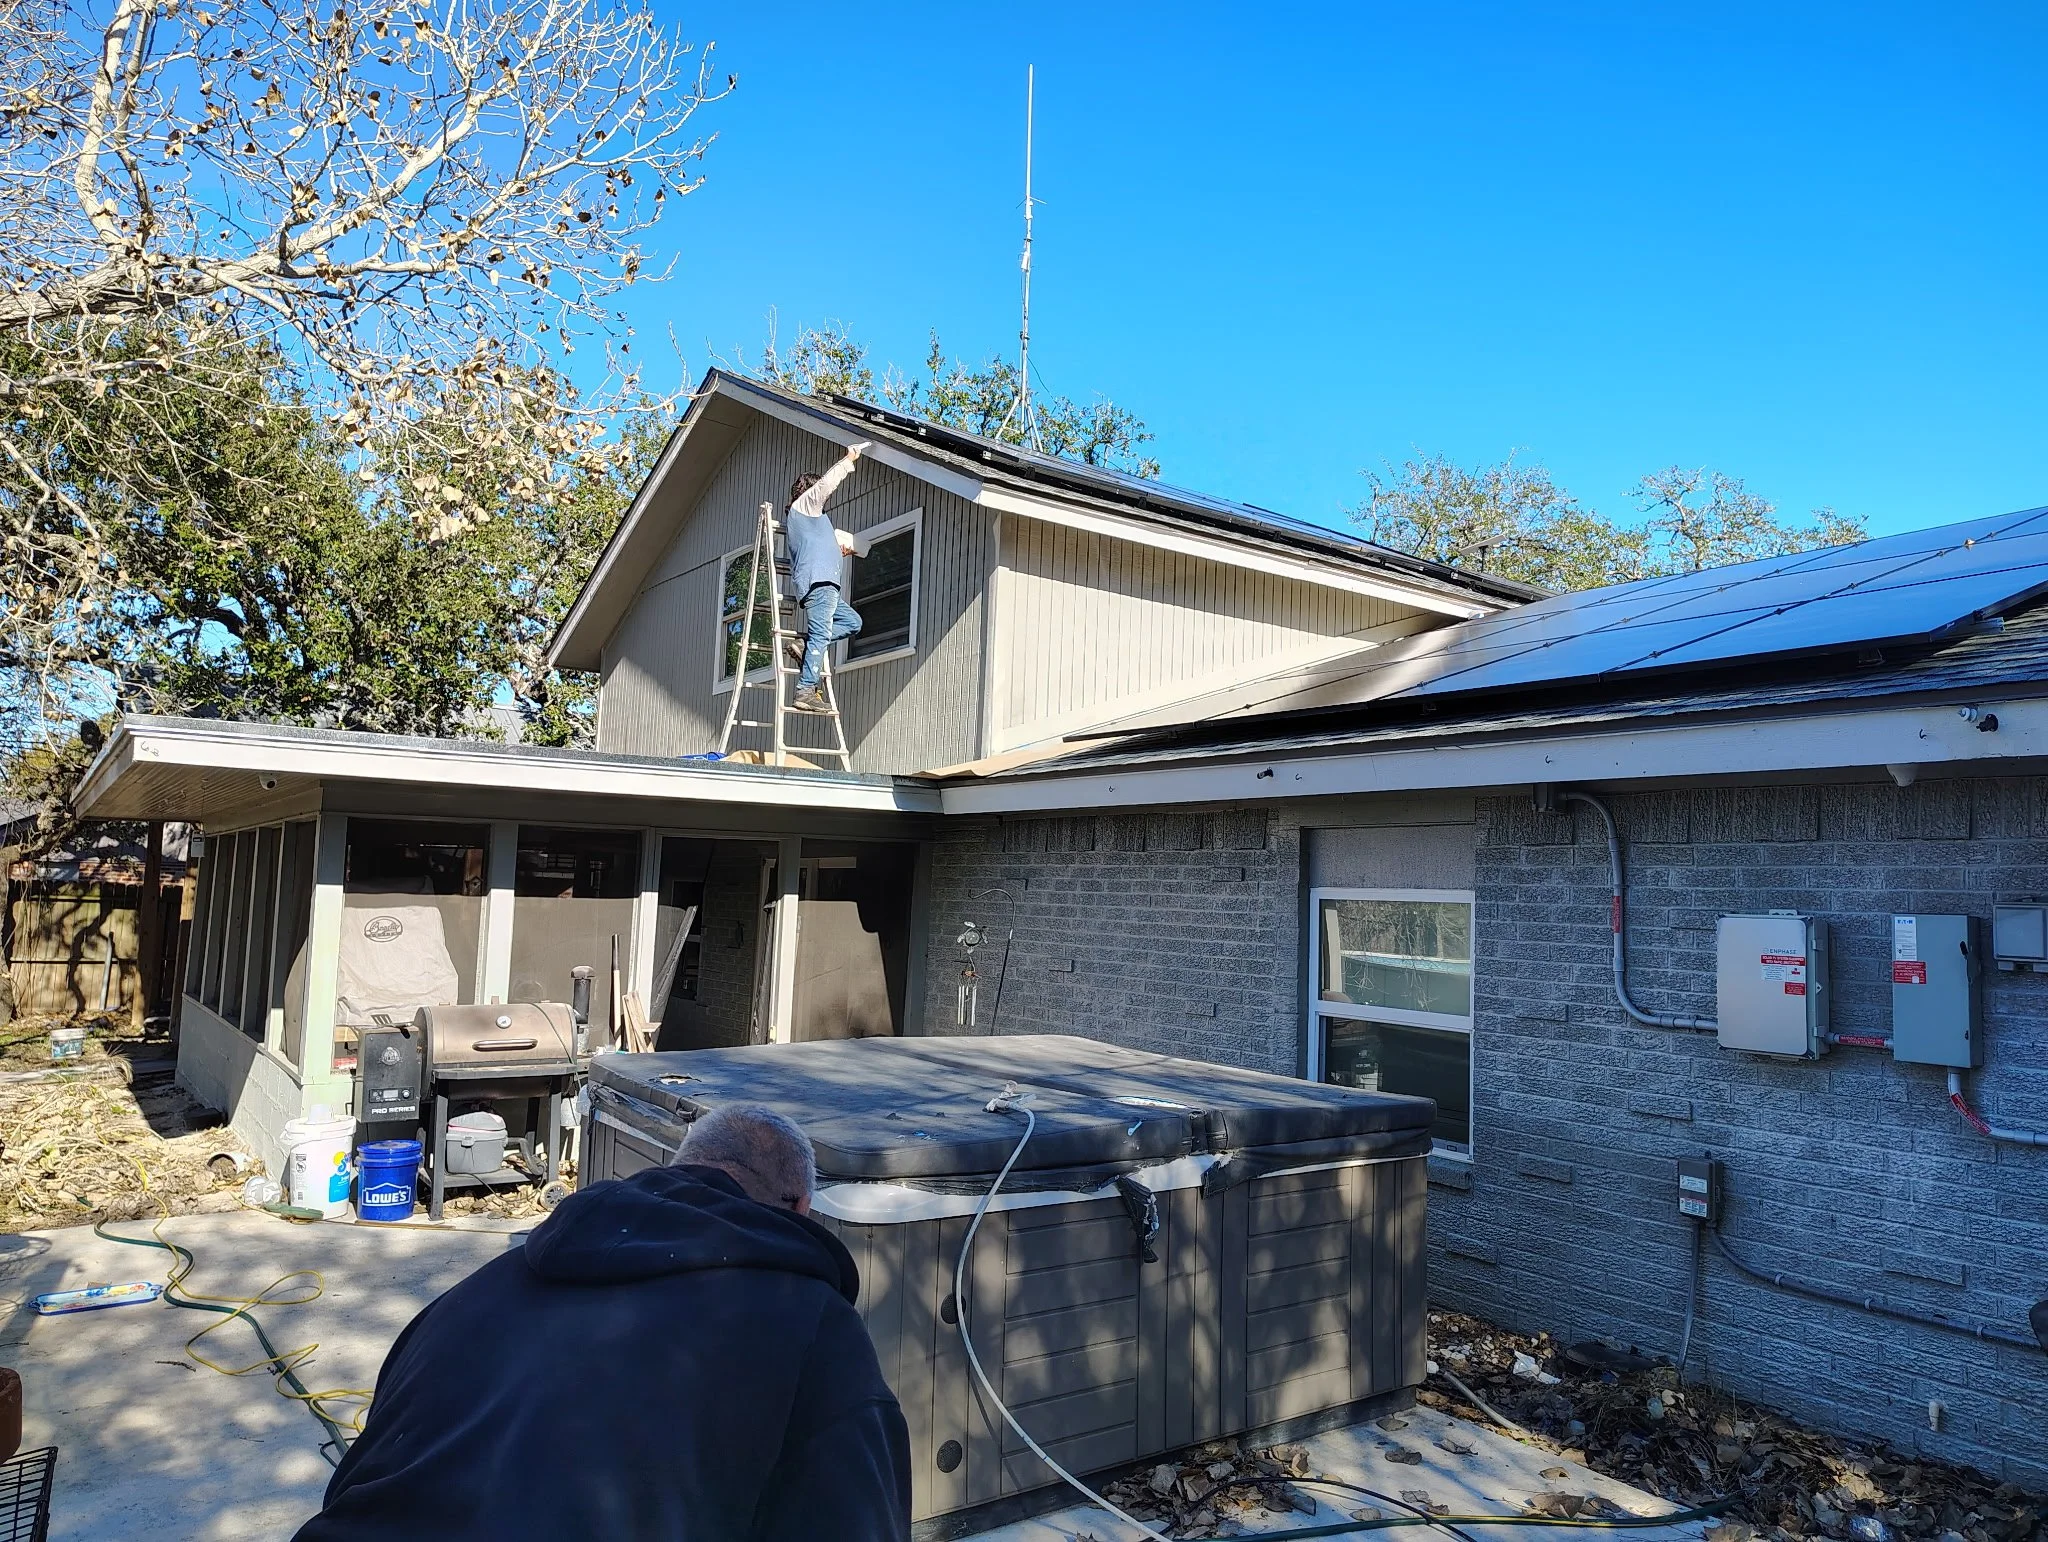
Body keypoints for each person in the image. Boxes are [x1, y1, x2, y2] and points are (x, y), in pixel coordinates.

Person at [292, 1105, 911, 1542]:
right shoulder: (812, 1331)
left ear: (676, 1168)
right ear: (800, 1206)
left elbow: (360, 1480)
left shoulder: (472, 1295)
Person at [783, 441, 873, 713]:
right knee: (821, 633)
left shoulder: (814, 520)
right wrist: (849, 460)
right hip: (819, 583)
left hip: (827, 583)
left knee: (852, 622)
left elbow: (816, 548)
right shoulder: (803, 506)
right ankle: (805, 691)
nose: (823, 500)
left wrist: (840, 552)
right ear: (809, 491)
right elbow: (824, 486)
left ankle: (803, 644)